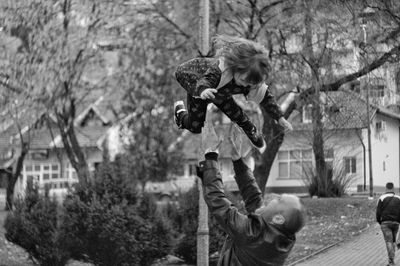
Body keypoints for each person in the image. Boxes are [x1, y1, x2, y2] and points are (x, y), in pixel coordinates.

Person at [196, 122, 306, 266]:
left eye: (279, 200)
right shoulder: (281, 238)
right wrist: (238, 162)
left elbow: (218, 203)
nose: (274, 198)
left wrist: (211, 155)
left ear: (278, 219)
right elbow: (254, 199)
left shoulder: (251, 234)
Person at [174, 34, 292, 153]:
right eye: (244, 80)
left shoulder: (248, 79)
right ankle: (180, 115)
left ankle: (251, 130)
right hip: (200, 87)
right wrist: (202, 90)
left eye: (249, 83)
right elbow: (206, 80)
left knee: (237, 114)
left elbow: (266, 97)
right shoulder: (219, 70)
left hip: (222, 94)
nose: (245, 85)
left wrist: (279, 117)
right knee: (196, 127)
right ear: (237, 67)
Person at [376, 182, 400, 266]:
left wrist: (379, 221)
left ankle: (391, 262)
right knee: (393, 241)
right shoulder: (398, 198)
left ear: (386, 188)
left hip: (385, 223)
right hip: (396, 223)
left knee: (389, 241)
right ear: (393, 188)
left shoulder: (382, 198)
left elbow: (378, 212)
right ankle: (392, 258)